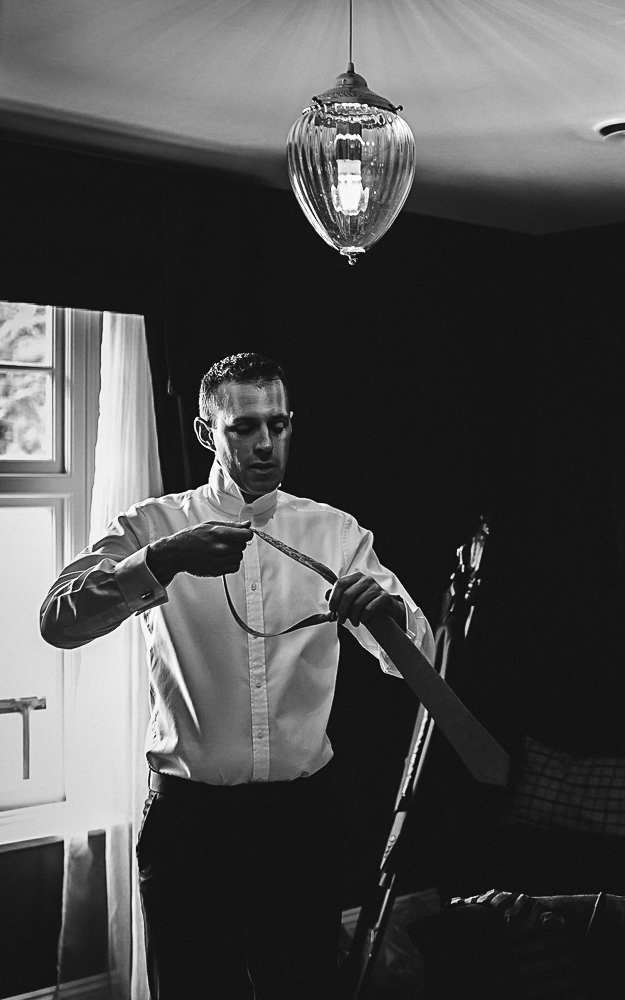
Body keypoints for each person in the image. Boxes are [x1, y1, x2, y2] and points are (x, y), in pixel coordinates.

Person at [40, 353, 435, 998]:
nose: (266, 444)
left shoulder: (333, 533)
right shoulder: (153, 527)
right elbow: (58, 620)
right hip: (190, 828)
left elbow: (414, 664)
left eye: (278, 426)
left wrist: (388, 617)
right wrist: (159, 563)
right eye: (244, 428)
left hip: (301, 824)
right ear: (205, 434)